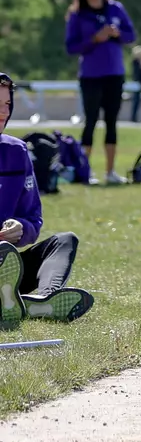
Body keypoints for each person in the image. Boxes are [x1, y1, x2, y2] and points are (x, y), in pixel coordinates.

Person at [0, 72, 96, 322]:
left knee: (64, 241)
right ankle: (11, 302)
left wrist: (21, 227)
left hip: (7, 262)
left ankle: (45, 300)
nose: (3, 112)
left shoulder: (16, 152)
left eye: (7, 104)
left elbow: (33, 218)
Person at [63, 0, 136, 186]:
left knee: (111, 121)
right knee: (91, 120)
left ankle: (111, 171)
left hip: (114, 73)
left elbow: (131, 35)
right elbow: (71, 47)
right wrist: (95, 39)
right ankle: (86, 171)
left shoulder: (115, 8)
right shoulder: (77, 15)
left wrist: (117, 34)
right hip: (91, 75)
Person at [127, 45, 141, 124]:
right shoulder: (135, 62)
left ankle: (134, 116)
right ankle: (133, 117)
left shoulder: (140, 62)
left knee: (137, 101)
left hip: (139, 84)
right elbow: (138, 73)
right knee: (135, 101)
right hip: (137, 84)